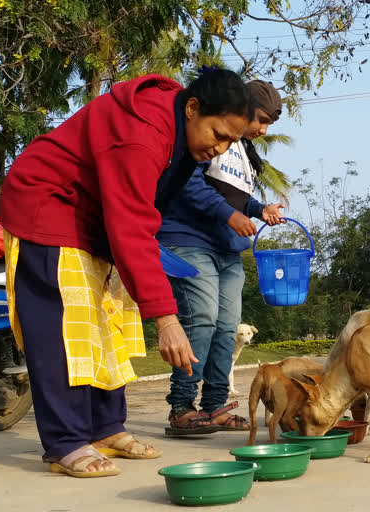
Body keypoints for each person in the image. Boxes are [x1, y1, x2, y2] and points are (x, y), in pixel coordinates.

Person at [0, 69, 254, 477]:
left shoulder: (179, 134)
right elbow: (132, 223)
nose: (220, 148)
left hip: (93, 220)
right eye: (218, 134)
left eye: (230, 142)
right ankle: (65, 441)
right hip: (48, 207)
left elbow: (146, 211)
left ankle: (104, 427)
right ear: (193, 109)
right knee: (67, 328)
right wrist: (166, 318)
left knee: (111, 323)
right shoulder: (142, 132)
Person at [157, 80, 286, 435]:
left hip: (227, 250)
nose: (262, 129)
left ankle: (215, 405)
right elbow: (187, 183)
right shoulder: (207, 138)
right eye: (260, 120)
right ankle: (182, 406)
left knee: (227, 326)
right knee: (201, 319)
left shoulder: (242, 152)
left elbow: (236, 198)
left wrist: (260, 209)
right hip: (189, 239)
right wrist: (228, 215)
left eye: (268, 125)